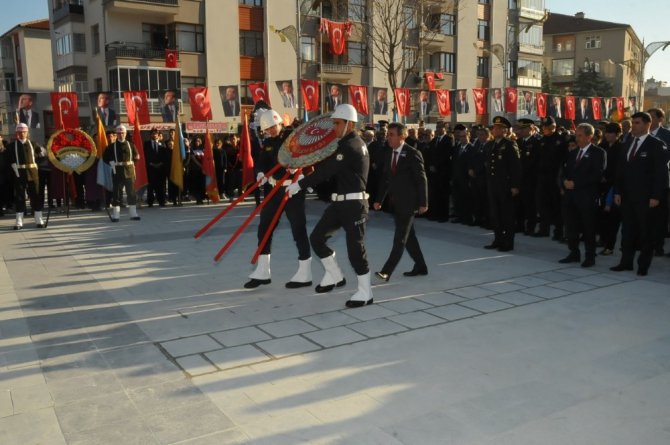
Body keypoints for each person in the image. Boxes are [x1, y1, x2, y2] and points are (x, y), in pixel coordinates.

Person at [286, 104, 372, 308]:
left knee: (355, 250)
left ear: (349, 124)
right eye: (334, 122)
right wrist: (300, 165)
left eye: (337, 123)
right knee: (317, 238)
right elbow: (325, 165)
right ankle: (334, 275)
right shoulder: (345, 143)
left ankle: (365, 292)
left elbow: (327, 172)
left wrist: (299, 184)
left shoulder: (351, 146)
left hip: (354, 204)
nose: (334, 127)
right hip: (340, 203)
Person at [244, 109, 312, 289]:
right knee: (264, 228)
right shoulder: (267, 142)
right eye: (268, 129)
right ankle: (262, 271)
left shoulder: (293, 136)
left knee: (298, 229)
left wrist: (298, 167)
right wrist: (260, 173)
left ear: (279, 123)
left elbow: (309, 155)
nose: (271, 131)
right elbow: (262, 161)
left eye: (273, 127)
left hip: (293, 188)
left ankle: (305, 272)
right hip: (273, 190)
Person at [611, 112, 669, 276]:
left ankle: (643, 265)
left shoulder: (656, 145)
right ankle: (626, 262)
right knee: (627, 231)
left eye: (637, 123)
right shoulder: (628, 142)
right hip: (628, 196)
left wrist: (656, 196)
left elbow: (661, 173)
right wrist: (617, 191)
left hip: (646, 198)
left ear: (646, 124)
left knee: (646, 232)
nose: (633, 126)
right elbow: (620, 170)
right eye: (633, 122)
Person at [372, 122, 428, 282]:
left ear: (402, 136)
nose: (388, 137)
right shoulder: (389, 153)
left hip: (409, 203)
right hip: (395, 202)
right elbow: (386, 179)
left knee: (400, 238)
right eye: (388, 134)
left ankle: (386, 271)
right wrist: (378, 199)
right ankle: (421, 266)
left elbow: (421, 179)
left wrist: (424, 202)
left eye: (391, 135)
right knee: (410, 237)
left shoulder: (413, 153)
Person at [558, 123, 606, 267]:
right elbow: (564, 171)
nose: (577, 138)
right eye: (576, 135)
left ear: (589, 137)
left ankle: (590, 256)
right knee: (571, 227)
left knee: (588, 228)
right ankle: (574, 253)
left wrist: (576, 183)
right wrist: (565, 181)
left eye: (580, 135)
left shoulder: (598, 153)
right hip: (570, 196)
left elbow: (597, 174)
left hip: (586, 197)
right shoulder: (573, 153)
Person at [483, 116, 522, 252]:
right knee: (495, 215)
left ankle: (508, 243)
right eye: (494, 127)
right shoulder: (490, 144)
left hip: (505, 185)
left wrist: (515, 186)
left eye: (499, 128)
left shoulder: (510, 145)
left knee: (507, 215)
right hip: (493, 185)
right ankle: (498, 239)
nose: (495, 130)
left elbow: (516, 167)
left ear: (505, 131)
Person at [533, 116, 567, 241]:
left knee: (556, 206)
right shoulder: (541, 140)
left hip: (555, 178)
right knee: (542, 204)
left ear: (553, 127)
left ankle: (558, 232)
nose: (544, 129)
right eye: (543, 127)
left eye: (547, 127)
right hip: (543, 177)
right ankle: (544, 229)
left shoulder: (561, 140)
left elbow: (563, 160)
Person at [8, 123, 46, 229]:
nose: (22, 134)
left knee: (35, 196)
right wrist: (14, 169)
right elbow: (9, 160)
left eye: (24, 132)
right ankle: (19, 222)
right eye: (19, 132)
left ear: (27, 132)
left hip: (33, 174)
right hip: (19, 173)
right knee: (19, 197)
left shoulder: (33, 144)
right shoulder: (12, 146)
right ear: (17, 133)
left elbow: (42, 156)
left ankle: (39, 220)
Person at [103, 125, 141, 222]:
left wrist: (134, 162)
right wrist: (111, 162)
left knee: (131, 193)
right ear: (116, 134)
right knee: (116, 193)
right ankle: (116, 215)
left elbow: (136, 156)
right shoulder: (111, 146)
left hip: (129, 171)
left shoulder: (131, 145)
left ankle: (133, 214)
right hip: (117, 171)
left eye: (122, 133)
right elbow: (105, 158)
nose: (121, 135)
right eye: (119, 133)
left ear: (126, 133)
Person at [144, 128, 170, 207]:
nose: (154, 135)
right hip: (150, 168)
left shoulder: (162, 144)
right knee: (150, 187)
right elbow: (145, 155)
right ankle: (150, 202)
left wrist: (161, 163)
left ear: (158, 135)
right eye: (153, 133)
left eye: (156, 134)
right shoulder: (146, 144)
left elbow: (165, 156)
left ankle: (161, 201)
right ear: (150, 135)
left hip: (160, 169)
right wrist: (151, 163)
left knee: (161, 186)